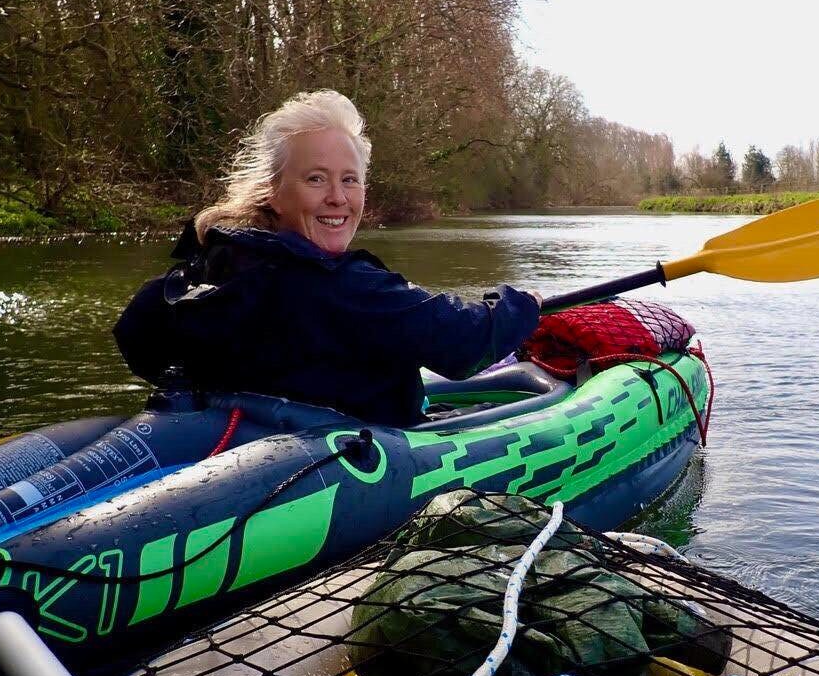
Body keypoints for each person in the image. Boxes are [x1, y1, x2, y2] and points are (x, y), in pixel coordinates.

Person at [114, 90, 541, 426]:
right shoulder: (346, 286)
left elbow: (134, 333)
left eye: (349, 180)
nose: (337, 198)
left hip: (251, 443)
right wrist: (522, 304)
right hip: (337, 466)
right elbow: (466, 346)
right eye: (316, 179)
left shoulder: (218, 260)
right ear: (273, 192)